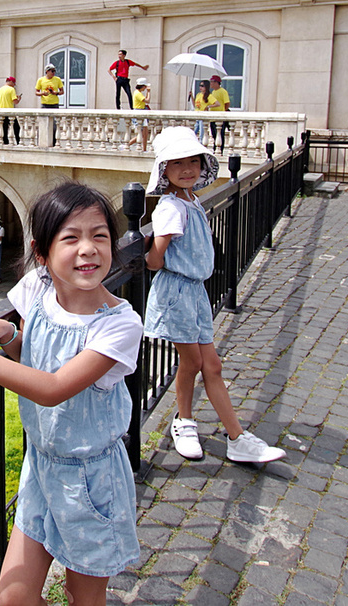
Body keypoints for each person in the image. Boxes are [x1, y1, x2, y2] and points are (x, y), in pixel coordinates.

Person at [0, 182, 142, 606]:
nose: (88, 249)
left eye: (99, 236)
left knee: (83, 596)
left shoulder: (120, 325)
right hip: (41, 469)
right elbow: (40, 357)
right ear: (42, 253)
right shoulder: (39, 291)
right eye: (70, 238)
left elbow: (54, 388)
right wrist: (11, 334)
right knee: (13, 596)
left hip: (90, 481)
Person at [143, 126, 285, 465]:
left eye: (193, 160)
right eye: (178, 163)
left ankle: (190, 422)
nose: (188, 169)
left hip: (193, 293)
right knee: (208, 364)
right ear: (165, 171)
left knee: (200, 363)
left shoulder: (189, 201)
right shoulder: (172, 208)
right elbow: (154, 260)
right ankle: (225, 433)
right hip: (178, 292)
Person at [125, 77, 152, 152]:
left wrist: (147, 92)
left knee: (145, 133)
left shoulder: (138, 93)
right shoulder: (137, 93)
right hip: (139, 112)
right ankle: (128, 144)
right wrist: (149, 92)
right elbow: (147, 100)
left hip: (142, 111)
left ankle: (144, 148)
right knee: (142, 133)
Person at [206, 74, 231, 155]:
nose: (211, 84)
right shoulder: (213, 92)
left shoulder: (223, 91)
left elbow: (227, 103)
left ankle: (220, 150)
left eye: (212, 82)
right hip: (212, 117)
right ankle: (215, 148)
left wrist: (222, 111)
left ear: (217, 83)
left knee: (220, 134)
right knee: (214, 134)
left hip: (220, 117)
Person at [0, 75, 22, 145]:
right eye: (14, 83)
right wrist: (19, 99)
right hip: (10, 111)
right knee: (16, 128)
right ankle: (19, 142)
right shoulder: (11, 89)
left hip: (2, 112)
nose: (14, 85)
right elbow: (15, 101)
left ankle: (5, 143)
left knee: (4, 129)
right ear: (11, 82)